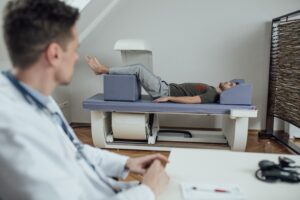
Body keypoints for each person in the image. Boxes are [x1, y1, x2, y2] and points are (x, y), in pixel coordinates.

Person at [0, 0, 169, 200]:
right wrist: (147, 191)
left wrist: (127, 163)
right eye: (74, 49)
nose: (75, 57)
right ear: (54, 54)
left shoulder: (37, 98)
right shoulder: (12, 129)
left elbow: (73, 150)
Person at [85, 56, 237, 104]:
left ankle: (102, 70)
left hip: (163, 91)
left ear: (229, 93)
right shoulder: (211, 88)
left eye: (231, 85)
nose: (228, 82)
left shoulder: (212, 95)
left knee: (138, 68)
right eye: (230, 81)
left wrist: (168, 97)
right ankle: (103, 70)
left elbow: (192, 100)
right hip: (164, 86)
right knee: (138, 69)